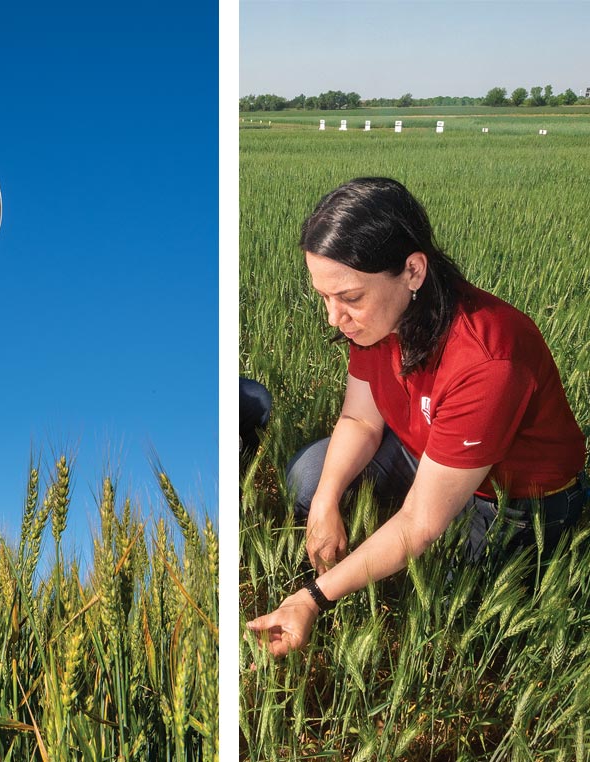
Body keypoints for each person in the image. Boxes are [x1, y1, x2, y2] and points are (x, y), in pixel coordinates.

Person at [246, 177, 587, 658]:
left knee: (453, 620)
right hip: (421, 451)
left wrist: (313, 599)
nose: (333, 318)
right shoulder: (379, 320)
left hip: (513, 500)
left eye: (349, 296)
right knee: (308, 477)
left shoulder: (488, 360)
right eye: (323, 296)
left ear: (412, 271)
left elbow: (420, 521)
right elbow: (361, 421)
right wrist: (325, 502)